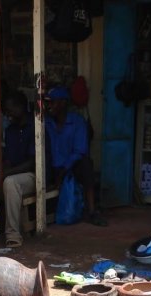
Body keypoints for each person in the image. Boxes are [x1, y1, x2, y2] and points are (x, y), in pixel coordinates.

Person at [45, 86, 105, 226]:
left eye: (52, 102)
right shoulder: (46, 122)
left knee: (86, 165)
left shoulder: (77, 122)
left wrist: (64, 170)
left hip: (70, 165)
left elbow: (79, 151)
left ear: (63, 103)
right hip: (52, 166)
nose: (49, 106)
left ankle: (92, 211)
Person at [1, 91, 36, 249]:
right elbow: (8, 158)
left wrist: (5, 174)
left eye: (10, 110)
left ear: (21, 107)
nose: (8, 115)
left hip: (34, 175)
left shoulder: (35, 126)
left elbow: (31, 162)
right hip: (15, 173)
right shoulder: (10, 131)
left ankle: (13, 235)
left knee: (10, 182)